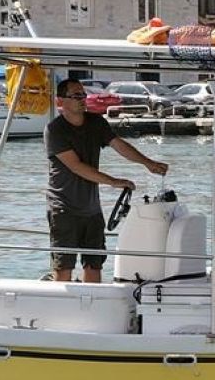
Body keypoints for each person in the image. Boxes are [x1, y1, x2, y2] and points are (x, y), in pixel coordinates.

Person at [45, 79, 168, 282]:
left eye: (83, 95)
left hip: (92, 209)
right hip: (63, 208)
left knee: (95, 264)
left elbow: (118, 144)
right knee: (64, 266)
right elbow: (76, 166)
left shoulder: (96, 123)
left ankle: (91, 309)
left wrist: (148, 163)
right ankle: (64, 309)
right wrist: (114, 181)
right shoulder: (54, 130)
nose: (82, 99)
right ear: (61, 101)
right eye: (76, 96)